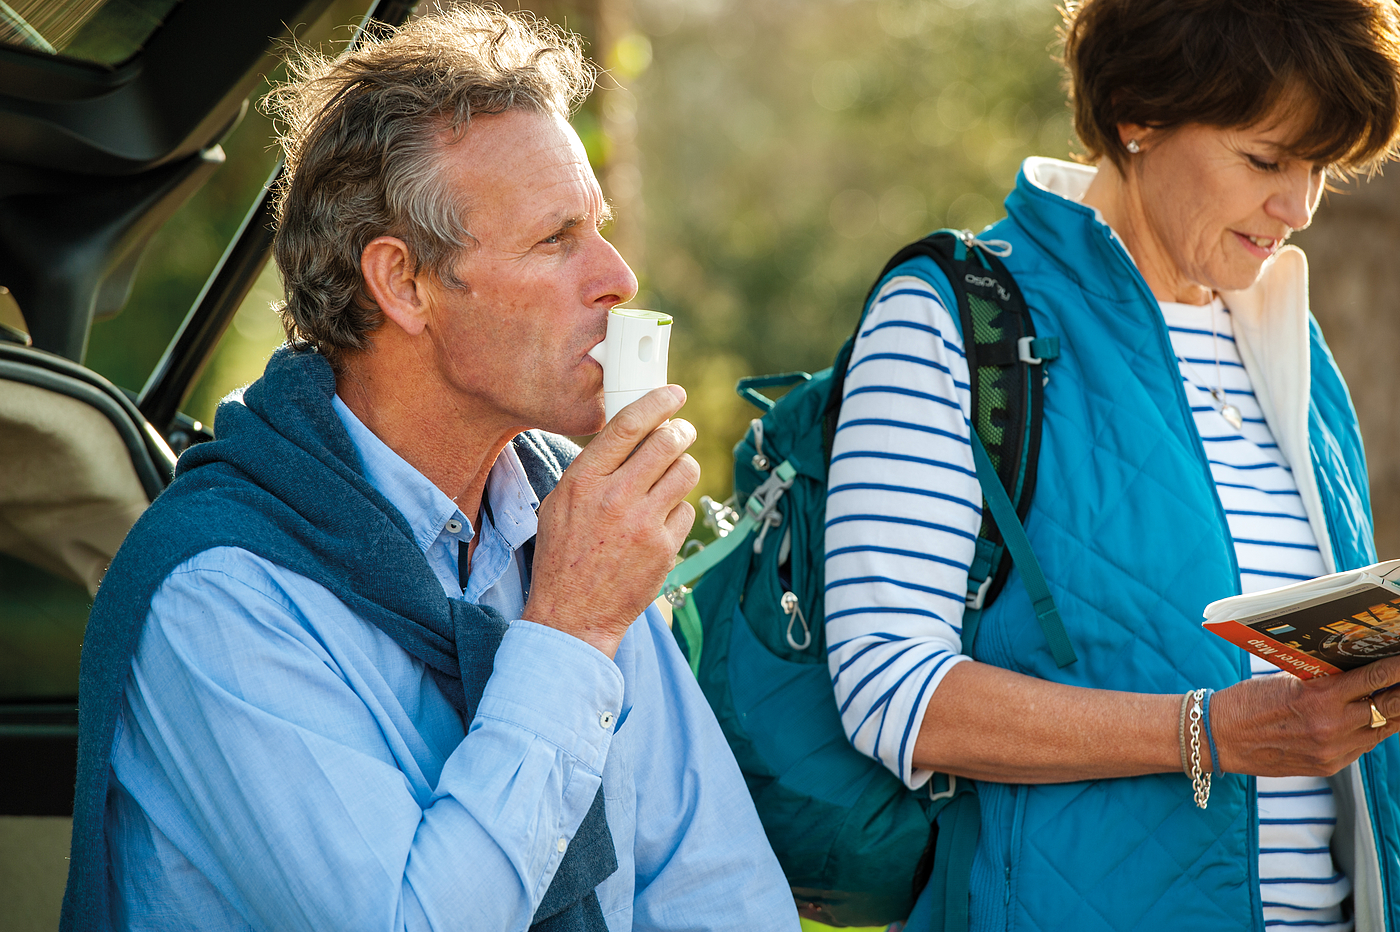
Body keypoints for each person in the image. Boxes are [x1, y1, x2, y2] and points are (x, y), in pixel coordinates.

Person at [61, 8, 799, 932]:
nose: (618, 277)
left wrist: (583, 605)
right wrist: (568, 632)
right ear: (403, 284)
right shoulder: (220, 591)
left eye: (599, 229)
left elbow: (714, 884)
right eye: (555, 239)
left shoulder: (561, 510)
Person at [824, 0, 1400, 929]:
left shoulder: (1293, 344)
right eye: (1266, 160)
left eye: (1321, 168)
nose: (1298, 209)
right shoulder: (952, 316)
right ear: (1139, 114)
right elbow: (891, 688)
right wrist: (1210, 732)